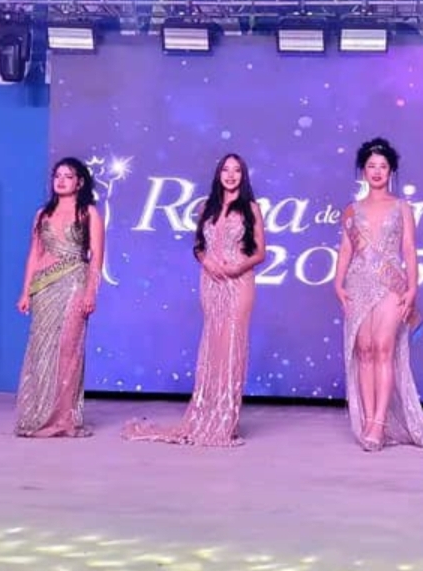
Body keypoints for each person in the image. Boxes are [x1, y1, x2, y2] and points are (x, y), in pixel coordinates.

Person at [123, 153, 266, 447]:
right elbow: (199, 246)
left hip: (239, 282)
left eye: (236, 171)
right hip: (211, 282)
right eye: (225, 170)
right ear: (218, 174)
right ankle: (206, 415)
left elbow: (260, 252)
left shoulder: (251, 208)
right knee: (212, 345)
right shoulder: (206, 207)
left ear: (243, 176)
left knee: (231, 347)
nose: (230, 175)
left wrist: (238, 266)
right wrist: (206, 261)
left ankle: (225, 423)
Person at [333, 137, 423, 452]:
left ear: (391, 171)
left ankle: (378, 424)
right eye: (371, 166)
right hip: (357, 283)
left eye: (383, 166)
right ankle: (367, 421)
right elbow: (346, 249)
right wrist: (337, 283)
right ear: (363, 171)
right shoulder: (351, 210)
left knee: (383, 348)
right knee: (364, 351)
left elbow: (409, 249)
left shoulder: (402, 207)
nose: (377, 171)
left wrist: (412, 288)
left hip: (391, 285)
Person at [14, 157, 104, 438]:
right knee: (41, 351)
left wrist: (91, 292)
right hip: (44, 287)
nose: (61, 180)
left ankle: (64, 419)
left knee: (68, 350)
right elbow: (34, 254)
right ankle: (38, 415)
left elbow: (96, 258)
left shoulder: (88, 213)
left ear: (80, 182)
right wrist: (26, 291)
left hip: (75, 284)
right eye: (57, 176)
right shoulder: (43, 214)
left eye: (68, 176)